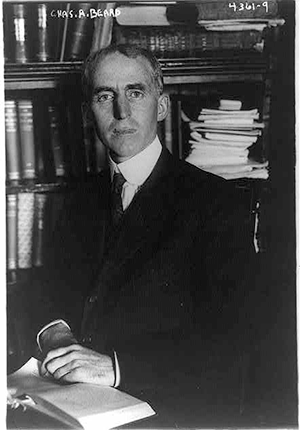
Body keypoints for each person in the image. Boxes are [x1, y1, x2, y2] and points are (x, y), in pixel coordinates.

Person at [10, 44, 256, 425]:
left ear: (161, 106)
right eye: (105, 96)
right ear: (88, 111)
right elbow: (43, 291)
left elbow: (235, 340)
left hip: (166, 415)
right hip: (68, 408)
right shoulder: (78, 199)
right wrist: (55, 335)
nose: (121, 111)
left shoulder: (216, 202)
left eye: (135, 92)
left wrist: (116, 367)